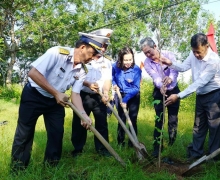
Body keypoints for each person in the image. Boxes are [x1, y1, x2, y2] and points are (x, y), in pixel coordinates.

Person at [11, 33, 106, 171]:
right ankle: (18, 169)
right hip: (34, 96)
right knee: (24, 133)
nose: (93, 58)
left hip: (55, 103)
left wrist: (83, 115)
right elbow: (33, 73)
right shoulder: (57, 53)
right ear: (83, 47)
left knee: (57, 133)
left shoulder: (83, 70)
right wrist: (56, 93)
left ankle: (51, 168)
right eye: (93, 53)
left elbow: (76, 94)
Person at [160, 33, 220, 161]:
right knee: (198, 125)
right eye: (194, 51)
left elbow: (200, 82)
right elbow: (184, 67)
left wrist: (178, 96)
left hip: (215, 94)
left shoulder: (214, 61)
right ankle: (196, 153)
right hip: (201, 94)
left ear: (207, 46)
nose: (196, 55)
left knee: (214, 126)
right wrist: (171, 63)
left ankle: (213, 157)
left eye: (199, 52)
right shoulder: (193, 53)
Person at [71, 29, 113, 157]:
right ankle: (77, 149)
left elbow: (107, 79)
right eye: (102, 45)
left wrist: (106, 92)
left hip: (99, 97)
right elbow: (75, 76)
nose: (103, 48)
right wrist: (88, 84)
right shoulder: (84, 58)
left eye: (105, 46)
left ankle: (102, 149)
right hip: (82, 95)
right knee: (79, 124)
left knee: (102, 124)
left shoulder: (107, 62)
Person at [139, 37, 180, 158]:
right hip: (159, 92)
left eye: (149, 51)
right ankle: (157, 148)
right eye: (145, 53)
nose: (148, 55)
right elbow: (155, 76)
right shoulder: (147, 63)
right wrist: (161, 86)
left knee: (173, 119)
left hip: (173, 90)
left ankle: (172, 145)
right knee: (159, 120)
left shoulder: (168, 54)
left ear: (155, 46)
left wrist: (171, 78)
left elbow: (175, 69)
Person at [112, 47, 142, 147]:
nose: (128, 62)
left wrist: (125, 100)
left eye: (130, 59)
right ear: (121, 59)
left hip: (133, 96)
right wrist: (114, 84)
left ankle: (132, 144)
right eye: (125, 60)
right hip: (120, 94)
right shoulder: (115, 67)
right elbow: (111, 77)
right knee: (121, 119)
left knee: (132, 119)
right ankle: (120, 143)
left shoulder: (136, 70)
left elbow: (136, 88)